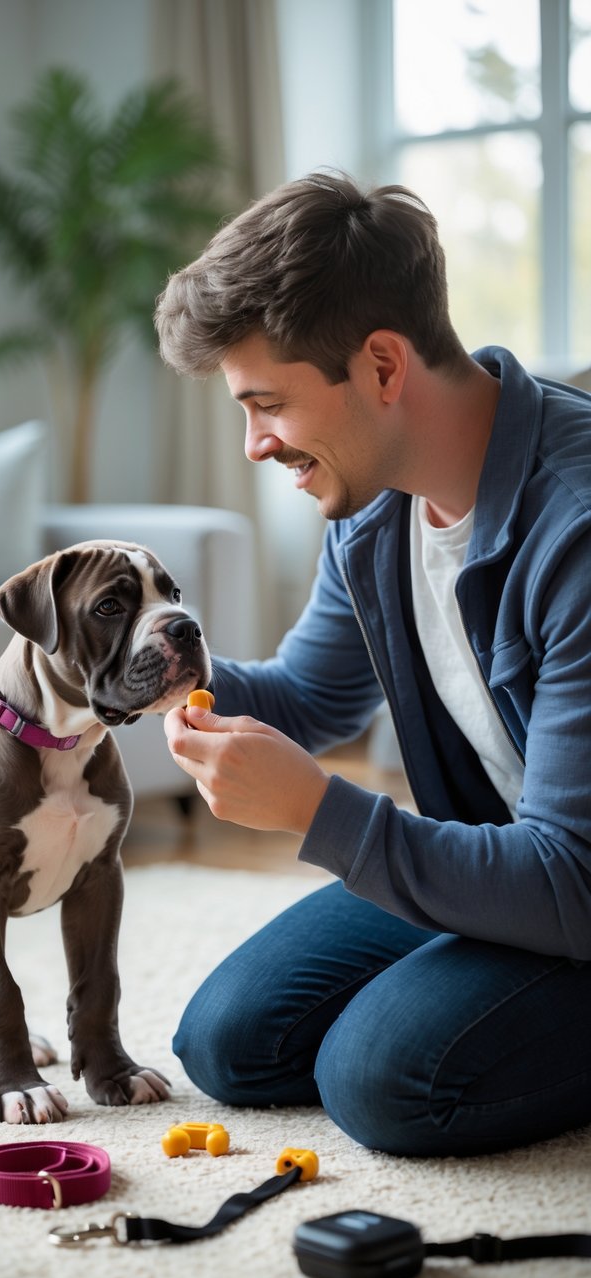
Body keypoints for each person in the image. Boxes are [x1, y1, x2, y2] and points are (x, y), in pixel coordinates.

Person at [154, 169, 591, 1158]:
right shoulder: (375, 509)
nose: (255, 445)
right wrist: (169, 667)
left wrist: (319, 810)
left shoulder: (577, 530)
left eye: (267, 404)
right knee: (227, 1039)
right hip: (506, 865)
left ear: (383, 367)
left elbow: (572, 878)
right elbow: (313, 693)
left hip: (574, 885)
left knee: (382, 1075)